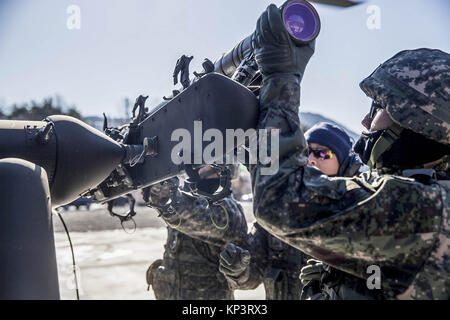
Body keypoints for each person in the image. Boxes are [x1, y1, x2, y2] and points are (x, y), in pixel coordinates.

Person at [247, 4, 449, 299]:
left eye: (378, 107)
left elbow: (279, 200)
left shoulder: (425, 207)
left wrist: (281, 77)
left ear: (417, 120)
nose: (366, 121)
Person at [219, 122, 368, 300]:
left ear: (345, 165)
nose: (311, 160)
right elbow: (252, 276)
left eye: (322, 153)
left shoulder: (361, 214)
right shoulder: (278, 212)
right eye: (306, 153)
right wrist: (238, 270)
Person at [143, 166, 248, 300]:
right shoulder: (193, 199)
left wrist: (154, 176)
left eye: (207, 163)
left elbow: (179, 212)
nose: (198, 168)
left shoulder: (227, 210)